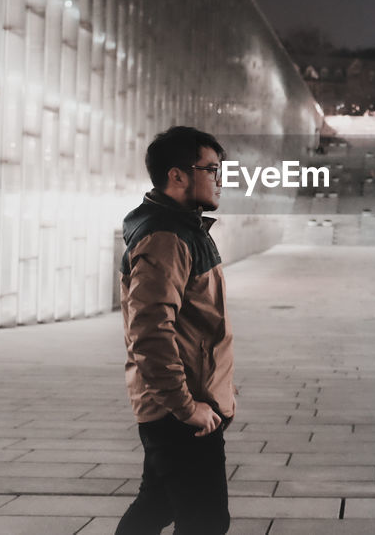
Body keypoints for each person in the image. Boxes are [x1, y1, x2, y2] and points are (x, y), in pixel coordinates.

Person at [116, 126, 235, 535]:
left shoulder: (184, 229)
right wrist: (187, 407)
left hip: (182, 401)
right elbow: (149, 332)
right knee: (206, 522)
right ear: (178, 175)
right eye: (212, 169)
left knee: (154, 507)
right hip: (179, 410)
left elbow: (196, 322)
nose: (220, 180)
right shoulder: (166, 236)